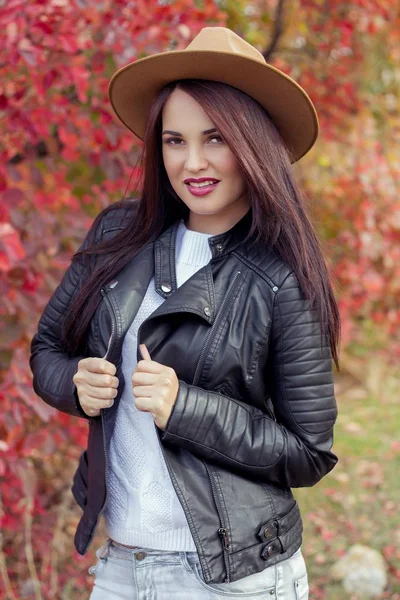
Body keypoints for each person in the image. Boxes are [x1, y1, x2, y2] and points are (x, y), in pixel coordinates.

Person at [30, 26, 340, 600]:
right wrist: (75, 383)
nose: (192, 161)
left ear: (254, 144)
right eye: (175, 140)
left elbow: (308, 451)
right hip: (122, 563)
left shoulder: (280, 277)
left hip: (232, 576)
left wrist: (185, 408)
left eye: (215, 138)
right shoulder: (119, 234)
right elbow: (48, 350)